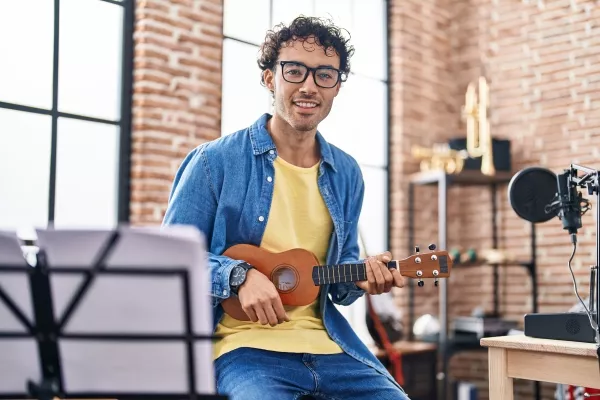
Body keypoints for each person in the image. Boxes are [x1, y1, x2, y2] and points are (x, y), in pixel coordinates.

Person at [163, 16, 410, 400]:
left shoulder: (346, 173)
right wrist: (239, 277)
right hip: (243, 350)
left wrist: (363, 278)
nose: (309, 86)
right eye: (294, 71)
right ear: (269, 79)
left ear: (337, 87)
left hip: (331, 349)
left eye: (324, 75)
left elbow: (339, 285)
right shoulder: (214, 162)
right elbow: (173, 261)